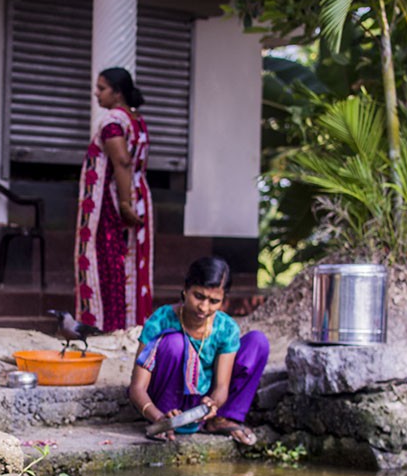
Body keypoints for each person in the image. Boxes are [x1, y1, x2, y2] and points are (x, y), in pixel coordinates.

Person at [128, 256, 269, 445]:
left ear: (223, 300)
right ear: (186, 289)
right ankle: (169, 424)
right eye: (199, 296)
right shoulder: (160, 320)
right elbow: (137, 388)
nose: (204, 307)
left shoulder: (226, 328)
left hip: (200, 405)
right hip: (165, 406)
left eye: (214, 301)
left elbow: (221, 387)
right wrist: (159, 418)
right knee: (174, 343)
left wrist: (213, 403)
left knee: (257, 342)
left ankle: (219, 420)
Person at [74, 67, 154, 331]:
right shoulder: (136, 120)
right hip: (139, 194)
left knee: (108, 263)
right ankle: (130, 325)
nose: (96, 93)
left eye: (102, 88)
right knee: (130, 264)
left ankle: (105, 326)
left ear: (117, 93)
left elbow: (122, 161)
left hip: (110, 203)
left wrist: (124, 203)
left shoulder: (113, 121)